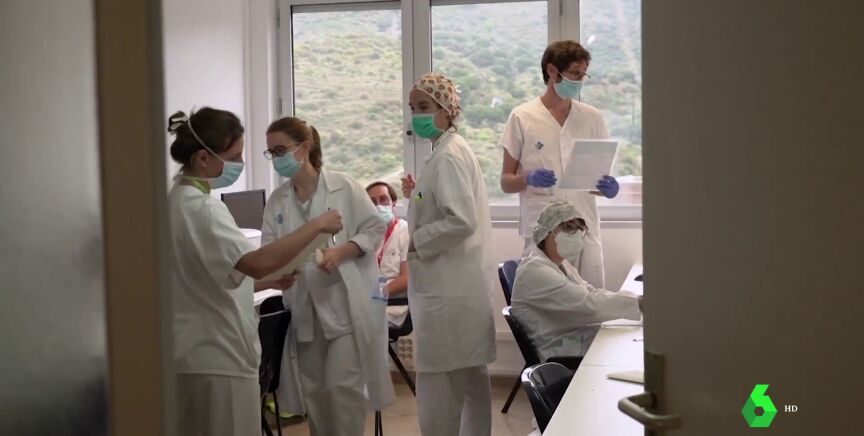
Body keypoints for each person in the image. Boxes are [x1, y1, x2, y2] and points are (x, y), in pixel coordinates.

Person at [166, 107, 342, 436]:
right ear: (203, 158)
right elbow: (256, 262)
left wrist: (270, 280)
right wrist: (316, 226)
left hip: (194, 354)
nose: (242, 164)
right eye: (235, 156)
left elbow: (209, 280)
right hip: (219, 355)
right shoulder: (205, 208)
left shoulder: (175, 201)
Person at [259, 116, 395, 436]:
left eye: (280, 150)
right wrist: (279, 275)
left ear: (304, 148)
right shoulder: (278, 201)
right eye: (271, 153)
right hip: (305, 309)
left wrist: (342, 251)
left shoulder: (343, 186)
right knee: (316, 394)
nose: (276, 159)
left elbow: (374, 227)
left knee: (342, 390)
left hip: (345, 307)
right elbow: (270, 251)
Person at [401, 72, 497, 436]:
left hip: (448, 295)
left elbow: (461, 220)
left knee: (440, 396)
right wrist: (417, 195)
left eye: (424, 106)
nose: (417, 115)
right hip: (458, 294)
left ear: (446, 109)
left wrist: (417, 240)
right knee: (470, 389)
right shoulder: (447, 151)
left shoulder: (448, 157)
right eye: (413, 108)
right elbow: (442, 204)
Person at [500, 40, 620, 288]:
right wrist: (527, 178)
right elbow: (506, 182)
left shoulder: (591, 117)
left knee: (592, 302)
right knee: (547, 303)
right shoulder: (522, 117)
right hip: (543, 234)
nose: (579, 80)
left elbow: (598, 179)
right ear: (552, 71)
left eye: (583, 74)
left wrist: (608, 188)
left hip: (584, 229)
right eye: (575, 73)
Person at [511, 201, 641, 362]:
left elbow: (590, 291)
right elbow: (588, 305)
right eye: (568, 228)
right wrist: (638, 303)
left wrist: (634, 299)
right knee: (621, 345)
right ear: (546, 232)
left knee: (621, 336)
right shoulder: (535, 271)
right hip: (556, 347)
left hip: (568, 336)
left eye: (580, 230)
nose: (576, 235)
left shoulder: (560, 264)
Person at [366, 181, 410, 326]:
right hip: (367, 303)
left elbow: (407, 278)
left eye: (383, 200)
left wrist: (376, 297)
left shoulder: (405, 231)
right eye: (373, 202)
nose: (379, 206)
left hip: (392, 305)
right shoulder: (367, 236)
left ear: (393, 203)